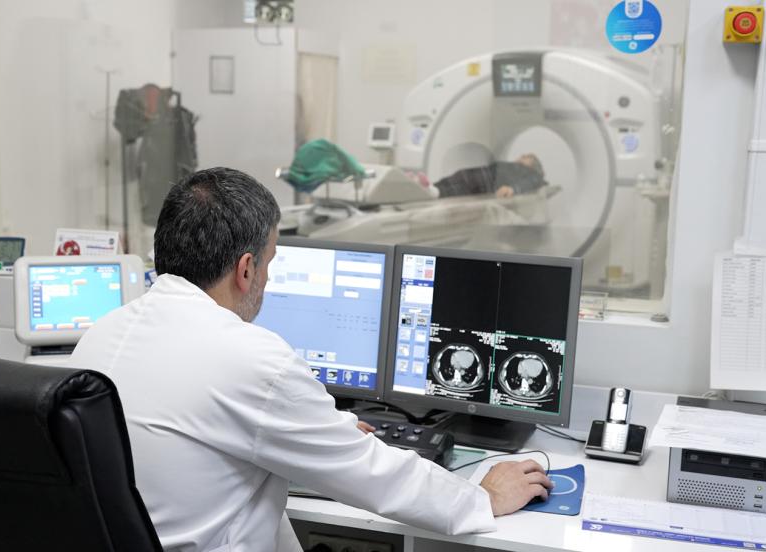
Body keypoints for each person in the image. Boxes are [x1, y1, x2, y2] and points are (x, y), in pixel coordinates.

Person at [70, 167, 552, 552]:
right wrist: (482, 498)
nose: (267, 279)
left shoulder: (99, 337)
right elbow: (376, 477)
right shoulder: (252, 359)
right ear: (245, 269)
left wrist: (321, 427)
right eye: (270, 262)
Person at [430, 153, 547, 199]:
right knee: (456, 178)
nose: (522, 156)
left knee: (459, 188)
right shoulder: (515, 168)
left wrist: (512, 189)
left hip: (486, 183)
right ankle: (430, 187)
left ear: (533, 165)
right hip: (480, 174)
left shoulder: (533, 175)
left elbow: (533, 182)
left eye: (527, 157)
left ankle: (434, 192)